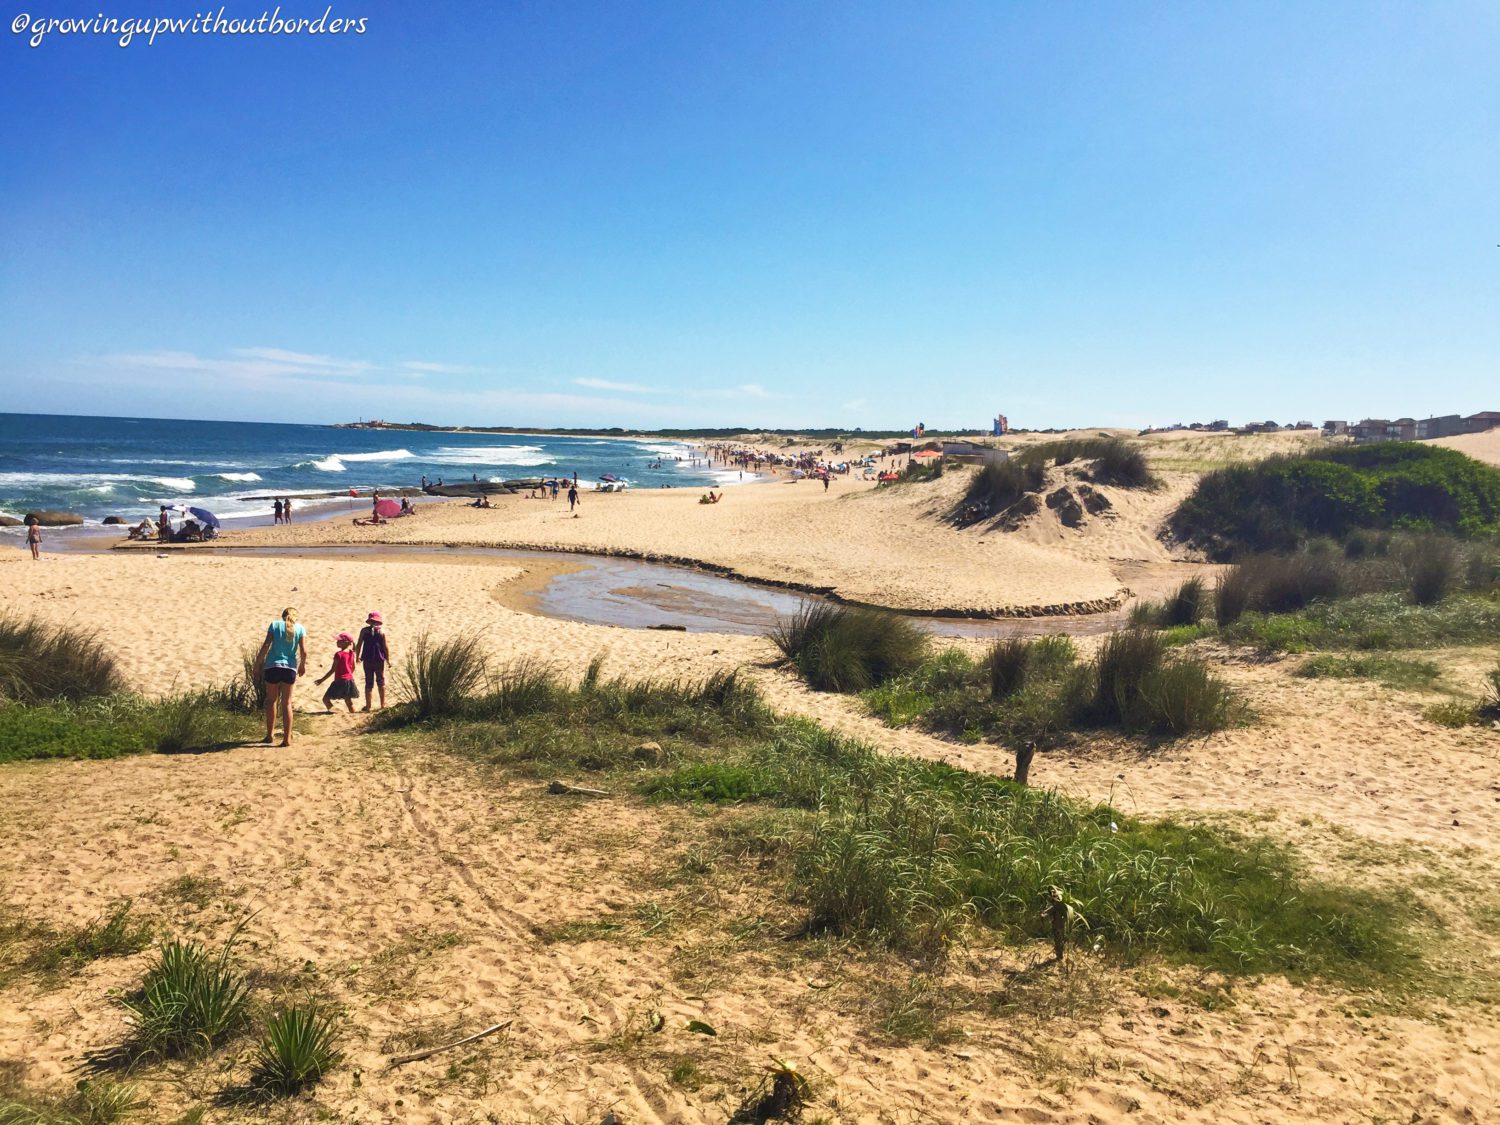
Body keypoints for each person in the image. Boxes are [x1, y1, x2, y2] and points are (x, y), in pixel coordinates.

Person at [256, 606, 307, 747]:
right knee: (287, 703)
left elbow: (266, 646)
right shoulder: (300, 629)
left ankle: (269, 735)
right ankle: (286, 739)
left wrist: (257, 664)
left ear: (283, 615)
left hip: (272, 666)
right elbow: (304, 651)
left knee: (271, 700)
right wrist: (302, 665)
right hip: (289, 668)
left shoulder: (274, 625)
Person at [315, 632, 359, 713]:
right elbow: (353, 667)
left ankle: (335, 713)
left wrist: (321, 680)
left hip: (340, 680)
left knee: (325, 699)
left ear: (345, 642)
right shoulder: (351, 653)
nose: (337, 642)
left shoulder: (338, 654)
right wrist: (348, 675)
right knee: (348, 702)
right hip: (349, 680)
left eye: (339, 641)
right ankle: (354, 715)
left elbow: (332, 670)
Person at [355, 611, 390, 711]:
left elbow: (359, 645)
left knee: (368, 682)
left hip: (367, 659)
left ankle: (368, 705)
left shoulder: (364, 631)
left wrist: (357, 657)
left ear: (369, 621)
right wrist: (388, 659)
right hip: (379, 659)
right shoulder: (382, 632)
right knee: (381, 681)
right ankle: (383, 704)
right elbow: (385, 647)